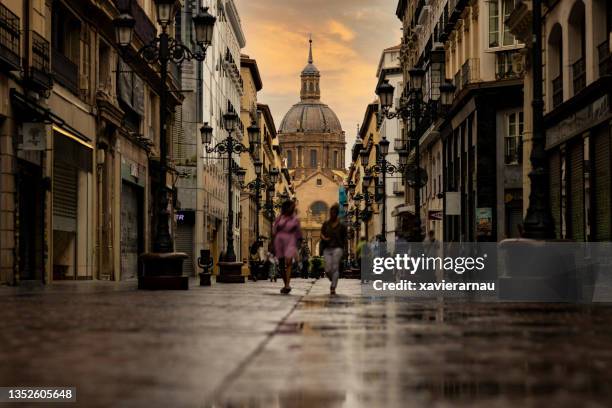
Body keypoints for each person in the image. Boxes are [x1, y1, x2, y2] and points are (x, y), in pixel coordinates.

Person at [272, 200, 302, 294]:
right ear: (286, 207)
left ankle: (288, 284)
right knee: (281, 265)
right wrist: (272, 242)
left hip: (290, 241)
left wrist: (298, 246)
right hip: (279, 241)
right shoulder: (279, 218)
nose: (293, 208)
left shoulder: (295, 219)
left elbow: (298, 233)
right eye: (291, 206)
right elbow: (274, 231)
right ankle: (285, 284)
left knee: (288, 262)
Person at [320, 203, 348, 295]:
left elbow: (345, 239)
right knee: (327, 269)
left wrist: (345, 250)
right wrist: (324, 238)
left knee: (335, 267)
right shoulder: (326, 224)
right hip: (327, 248)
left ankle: (333, 287)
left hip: (338, 248)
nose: (332, 214)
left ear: (337, 213)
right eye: (331, 212)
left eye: (334, 212)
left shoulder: (342, 226)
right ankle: (333, 278)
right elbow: (322, 234)